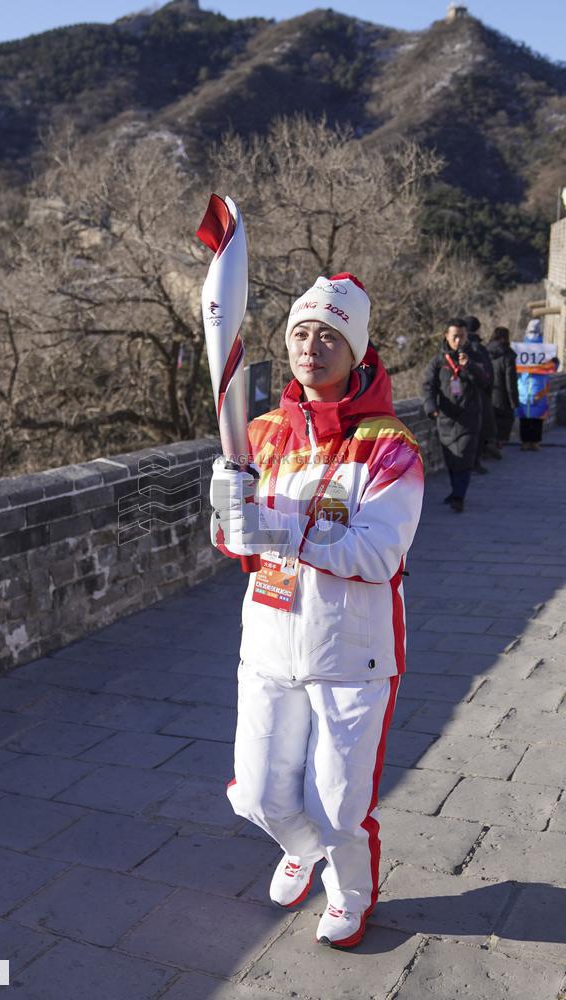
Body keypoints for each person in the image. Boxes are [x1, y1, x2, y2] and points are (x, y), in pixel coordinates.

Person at [209, 273, 424, 951]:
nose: (311, 346)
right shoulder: (261, 434)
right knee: (259, 797)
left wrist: (274, 525)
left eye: (329, 334)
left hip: (352, 654)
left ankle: (351, 891)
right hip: (270, 646)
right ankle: (302, 847)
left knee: (339, 806)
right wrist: (230, 514)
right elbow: (231, 538)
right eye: (301, 332)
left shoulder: (391, 447)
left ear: (355, 350)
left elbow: (377, 553)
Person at [422, 318, 488, 512]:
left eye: (462, 336)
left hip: (469, 417)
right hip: (446, 417)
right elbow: (428, 386)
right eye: (455, 337)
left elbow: (486, 382)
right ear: (447, 336)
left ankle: (459, 496)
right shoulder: (438, 360)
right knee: (451, 457)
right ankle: (455, 491)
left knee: (464, 456)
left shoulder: (475, 355)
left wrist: (470, 366)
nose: (458, 341)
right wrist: (431, 407)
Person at [516, 319, 560, 451]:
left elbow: (514, 368)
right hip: (540, 388)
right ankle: (535, 442)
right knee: (537, 417)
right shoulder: (546, 351)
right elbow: (554, 367)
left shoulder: (519, 350)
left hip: (523, 388)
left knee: (524, 417)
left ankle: (525, 442)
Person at [463, 315, 499, 466]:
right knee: (478, 428)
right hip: (479, 393)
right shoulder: (479, 349)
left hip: (462, 394)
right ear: (478, 329)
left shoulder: (460, 347)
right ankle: (475, 461)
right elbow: (487, 374)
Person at [487, 326, 519, 447]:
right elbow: (510, 381)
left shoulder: (484, 351)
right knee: (503, 424)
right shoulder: (508, 355)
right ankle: (498, 444)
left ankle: (489, 445)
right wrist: (513, 402)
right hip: (503, 397)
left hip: (488, 394)